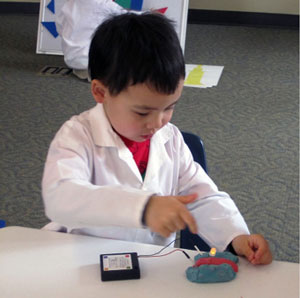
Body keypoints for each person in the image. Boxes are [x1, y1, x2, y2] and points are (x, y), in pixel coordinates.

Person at [42, 12, 272, 265]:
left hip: (153, 264)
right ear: (100, 92)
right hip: (84, 262)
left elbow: (201, 197)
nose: (157, 123)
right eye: (142, 112)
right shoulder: (77, 136)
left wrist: (236, 236)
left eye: (169, 107)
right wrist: (143, 207)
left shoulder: (169, 139)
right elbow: (60, 197)